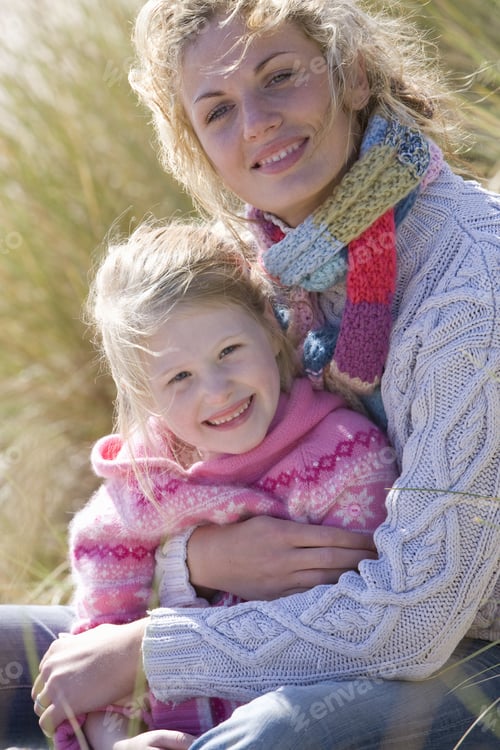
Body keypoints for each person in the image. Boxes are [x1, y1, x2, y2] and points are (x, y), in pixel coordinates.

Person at [2, 0, 498, 748]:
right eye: (217, 110)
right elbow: (162, 475)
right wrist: (190, 564)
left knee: (262, 737)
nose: (257, 122)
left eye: (280, 76)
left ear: (354, 74)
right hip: (295, 610)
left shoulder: (469, 283)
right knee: (9, 653)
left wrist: (149, 651)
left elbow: (418, 617)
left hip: (467, 644)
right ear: (194, 143)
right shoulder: (265, 263)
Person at [49, 218, 396, 750]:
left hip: (290, 725)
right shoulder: (148, 476)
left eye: (229, 350)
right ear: (144, 393)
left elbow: (351, 630)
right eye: (179, 378)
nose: (216, 390)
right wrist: (111, 737)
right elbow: (101, 639)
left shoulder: (343, 459)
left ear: (267, 322)